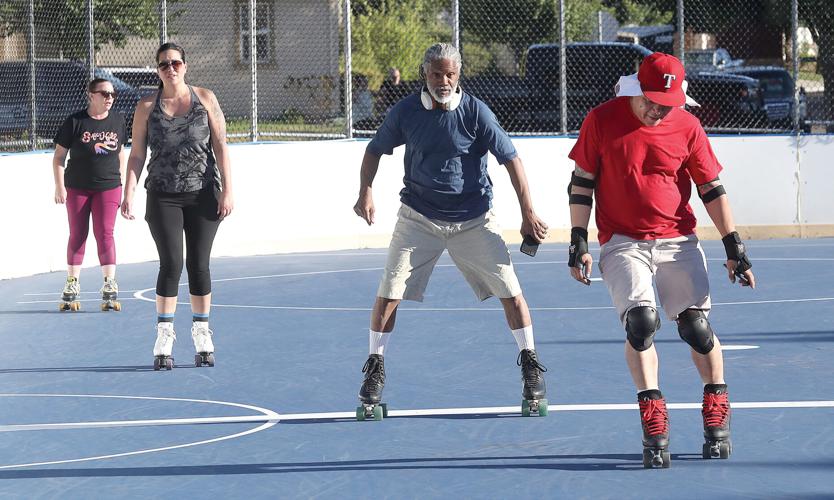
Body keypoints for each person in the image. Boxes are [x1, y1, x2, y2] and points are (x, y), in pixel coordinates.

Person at [566, 52, 756, 468]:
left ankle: (716, 406)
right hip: (622, 241)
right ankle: (653, 416)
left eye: (666, 102)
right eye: (651, 99)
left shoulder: (688, 125)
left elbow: (710, 187)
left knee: (695, 327)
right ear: (637, 86)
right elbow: (581, 182)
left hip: (677, 238)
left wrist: (733, 246)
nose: (657, 109)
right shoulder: (602, 119)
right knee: (641, 322)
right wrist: (578, 238)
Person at [352, 43, 550, 420]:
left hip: (473, 218)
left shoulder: (476, 113)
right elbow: (375, 149)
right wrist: (365, 190)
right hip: (418, 217)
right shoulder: (407, 111)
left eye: (451, 75)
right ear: (425, 73)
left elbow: (511, 159)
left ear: (459, 76)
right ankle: (375, 367)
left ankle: (529, 363)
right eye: (438, 74)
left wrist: (528, 212)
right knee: (389, 292)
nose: (444, 81)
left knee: (511, 291)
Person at [121, 42, 234, 370]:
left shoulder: (205, 98)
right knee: (171, 263)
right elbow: (138, 153)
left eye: (175, 63)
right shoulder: (146, 105)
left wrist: (228, 190)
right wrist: (129, 191)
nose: (170, 69)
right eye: (163, 65)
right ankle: (164, 334)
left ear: (185, 65)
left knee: (199, 264)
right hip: (163, 193)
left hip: (203, 193)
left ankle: (201, 333)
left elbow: (221, 146)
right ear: (157, 70)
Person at [52, 77, 127, 312]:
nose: (110, 98)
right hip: (77, 187)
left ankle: (109, 283)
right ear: (91, 95)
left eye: (112, 94)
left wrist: (122, 184)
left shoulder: (118, 120)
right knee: (78, 233)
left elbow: (121, 152)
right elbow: (58, 157)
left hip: (109, 186)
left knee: (105, 232)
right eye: (104, 94)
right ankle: (72, 283)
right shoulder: (75, 121)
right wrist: (59, 186)